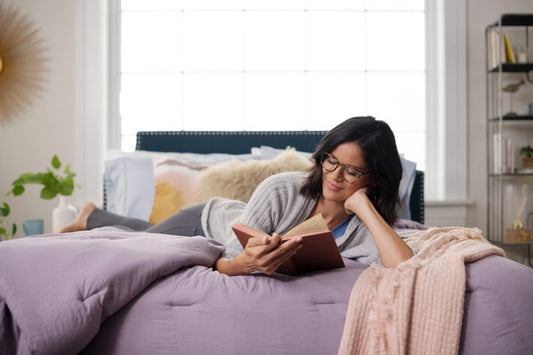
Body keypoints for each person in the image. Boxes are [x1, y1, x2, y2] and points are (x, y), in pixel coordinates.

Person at [61, 116, 414, 275]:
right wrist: (244, 264)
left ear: (377, 180)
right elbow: (229, 257)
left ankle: (92, 216)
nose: (335, 176)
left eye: (351, 171)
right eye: (330, 161)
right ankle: (93, 219)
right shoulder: (281, 189)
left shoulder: (367, 226)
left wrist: (365, 207)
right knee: (133, 248)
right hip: (204, 225)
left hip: (215, 230)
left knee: (141, 235)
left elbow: (406, 266)